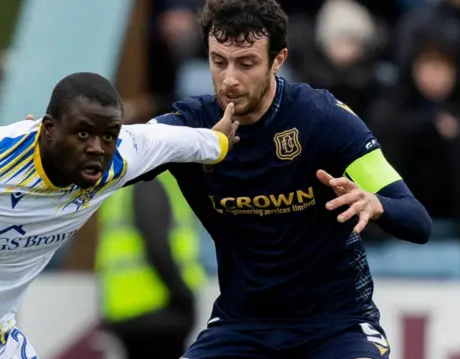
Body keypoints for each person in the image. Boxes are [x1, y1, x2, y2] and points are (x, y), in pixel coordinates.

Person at [0, 72, 238, 359]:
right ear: (48, 129)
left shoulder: (120, 158)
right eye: (83, 134)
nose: (97, 148)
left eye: (108, 135)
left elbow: (177, 142)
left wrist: (218, 142)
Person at [129, 1, 433, 358]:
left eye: (246, 63)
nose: (229, 79)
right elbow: (122, 154)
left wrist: (376, 203)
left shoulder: (324, 119)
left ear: (278, 59)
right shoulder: (191, 125)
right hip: (241, 328)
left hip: (337, 327)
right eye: (218, 61)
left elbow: (418, 221)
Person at [97, 171, 204, 359]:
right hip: (157, 309)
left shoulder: (124, 183)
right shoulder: (151, 182)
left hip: (128, 308)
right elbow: (157, 246)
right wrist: (182, 295)